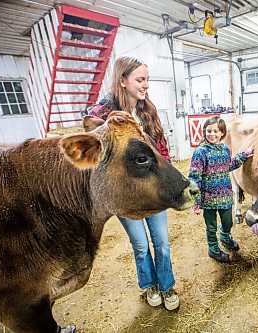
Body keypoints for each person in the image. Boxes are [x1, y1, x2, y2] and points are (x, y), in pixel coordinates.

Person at [87, 56, 178, 310]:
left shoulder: (147, 110)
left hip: (153, 187)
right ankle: (149, 285)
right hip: (125, 191)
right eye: (140, 79)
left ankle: (167, 286)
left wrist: (168, 177)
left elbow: (162, 148)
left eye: (147, 79)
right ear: (123, 80)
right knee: (140, 244)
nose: (145, 85)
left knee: (161, 242)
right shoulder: (101, 115)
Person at [188, 116, 253, 263]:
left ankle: (225, 236)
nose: (212, 134)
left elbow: (229, 165)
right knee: (211, 227)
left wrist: (244, 155)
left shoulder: (225, 150)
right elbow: (194, 177)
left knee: (228, 222)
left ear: (222, 133)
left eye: (215, 131)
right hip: (208, 199)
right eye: (208, 131)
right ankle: (213, 248)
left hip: (225, 197)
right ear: (204, 132)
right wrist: (196, 201)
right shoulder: (200, 152)